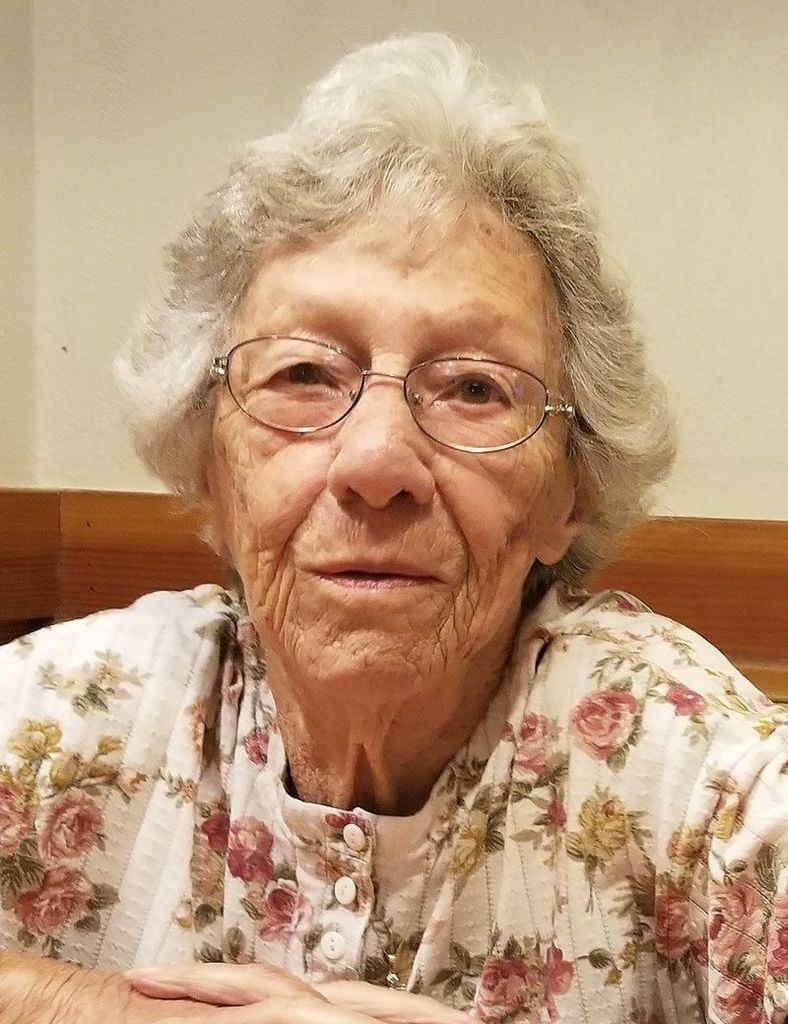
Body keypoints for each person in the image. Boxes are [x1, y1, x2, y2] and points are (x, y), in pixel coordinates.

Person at [0, 32, 785, 1024]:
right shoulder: (75, 711)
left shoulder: (690, 767)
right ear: (209, 462)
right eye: (302, 373)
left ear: (568, 494)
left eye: (474, 388)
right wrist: (109, 1011)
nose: (377, 463)